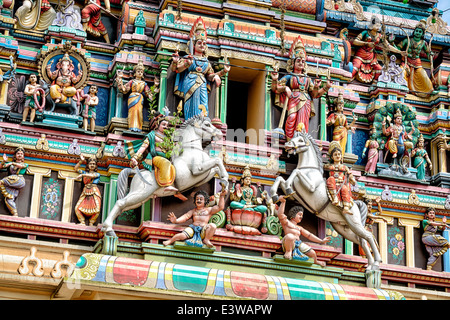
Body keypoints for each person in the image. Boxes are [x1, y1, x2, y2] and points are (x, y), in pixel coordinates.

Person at [271, 35, 331, 139]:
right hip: (293, 100)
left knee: (303, 123)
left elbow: (315, 94)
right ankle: (290, 140)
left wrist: (324, 87)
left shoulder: (307, 79)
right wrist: (278, 82)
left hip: (306, 102)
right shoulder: (290, 76)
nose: (301, 63)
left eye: (303, 61)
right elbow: (275, 88)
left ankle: (301, 140)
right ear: (292, 63)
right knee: (291, 119)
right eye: (298, 61)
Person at [171, 17, 230, 120]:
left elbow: (210, 76)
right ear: (193, 45)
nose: (202, 45)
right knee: (190, 102)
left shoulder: (206, 62)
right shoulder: (189, 58)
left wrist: (222, 72)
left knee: (203, 103)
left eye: (204, 43)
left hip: (202, 83)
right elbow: (176, 69)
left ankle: (201, 121)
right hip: (190, 81)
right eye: (199, 43)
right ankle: (190, 121)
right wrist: (184, 64)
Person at [125, 111, 184, 199]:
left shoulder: (168, 137)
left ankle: (177, 189)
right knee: (166, 163)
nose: (165, 127)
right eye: (163, 124)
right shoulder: (152, 135)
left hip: (166, 157)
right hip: (156, 158)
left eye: (167, 125)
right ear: (157, 125)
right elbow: (144, 146)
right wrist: (135, 157)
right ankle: (166, 185)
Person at [163, 188, 227, 248]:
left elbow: (220, 207)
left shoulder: (209, 210)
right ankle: (170, 241)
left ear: (205, 201)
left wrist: (221, 196)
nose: (198, 200)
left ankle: (206, 240)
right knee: (182, 235)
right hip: (193, 229)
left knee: (213, 225)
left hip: (203, 230)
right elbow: (185, 217)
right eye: (197, 199)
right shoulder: (193, 211)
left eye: (201, 199)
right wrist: (176, 220)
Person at [277, 196, 331, 265]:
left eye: (302, 215)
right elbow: (280, 214)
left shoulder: (300, 228)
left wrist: (321, 241)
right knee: (290, 236)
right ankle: (288, 251)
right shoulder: (287, 223)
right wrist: (283, 202)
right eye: (299, 215)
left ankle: (315, 261)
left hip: (298, 244)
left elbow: (309, 235)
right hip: (289, 243)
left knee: (313, 253)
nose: (301, 217)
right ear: (293, 214)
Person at [394, 19, 434, 98]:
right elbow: (397, 49)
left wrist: (430, 55)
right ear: (414, 31)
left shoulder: (423, 43)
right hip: (406, 62)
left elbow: (428, 53)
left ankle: (428, 91)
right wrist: (392, 43)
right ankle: (402, 90)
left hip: (417, 63)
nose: (418, 33)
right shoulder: (407, 40)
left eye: (420, 32)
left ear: (422, 34)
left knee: (424, 75)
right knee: (401, 73)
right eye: (417, 31)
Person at [117, 59, 153, 132]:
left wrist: (151, 96)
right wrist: (120, 79)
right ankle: (131, 127)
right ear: (134, 73)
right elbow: (124, 90)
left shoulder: (144, 84)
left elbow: (148, 93)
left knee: (139, 112)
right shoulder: (132, 82)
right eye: (138, 71)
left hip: (140, 98)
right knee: (132, 112)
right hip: (132, 97)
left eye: (141, 72)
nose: (140, 73)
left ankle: (138, 128)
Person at [324, 141, 356, 215]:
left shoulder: (344, 167)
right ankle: (334, 197)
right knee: (330, 179)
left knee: (345, 189)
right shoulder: (329, 166)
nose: (337, 156)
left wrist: (352, 179)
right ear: (332, 157)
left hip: (341, 184)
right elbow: (323, 166)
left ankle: (346, 207)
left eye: (339, 154)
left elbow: (350, 175)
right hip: (333, 184)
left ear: (341, 156)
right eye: (335, 155)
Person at [74, 154, 102, 226]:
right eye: (90, 164)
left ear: (96, 166)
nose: (92, 165)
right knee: (77, 208)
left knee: (97, 209)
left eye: (93, 164)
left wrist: (83, 175)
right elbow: (76, 169)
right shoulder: (85, 173)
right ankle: (82, 222)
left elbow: (92, 176)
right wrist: (81, 161)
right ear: (88, 165)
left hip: (94, 191)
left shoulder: (97, 174)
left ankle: (91, 223)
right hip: (86, 191)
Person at [0, 147, 28, 216]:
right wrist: (4, 161)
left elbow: (21, 166)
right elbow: (1, 167)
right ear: (15, 155)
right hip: (11, 183)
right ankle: (15, 214)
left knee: (3, 181)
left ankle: (3, 181)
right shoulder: (10, 164)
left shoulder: (25, 164)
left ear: (23, 156)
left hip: (19, 181)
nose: (20, 155)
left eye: (21, 154)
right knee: (8, 199)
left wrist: (12, 163)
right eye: (18, 153)